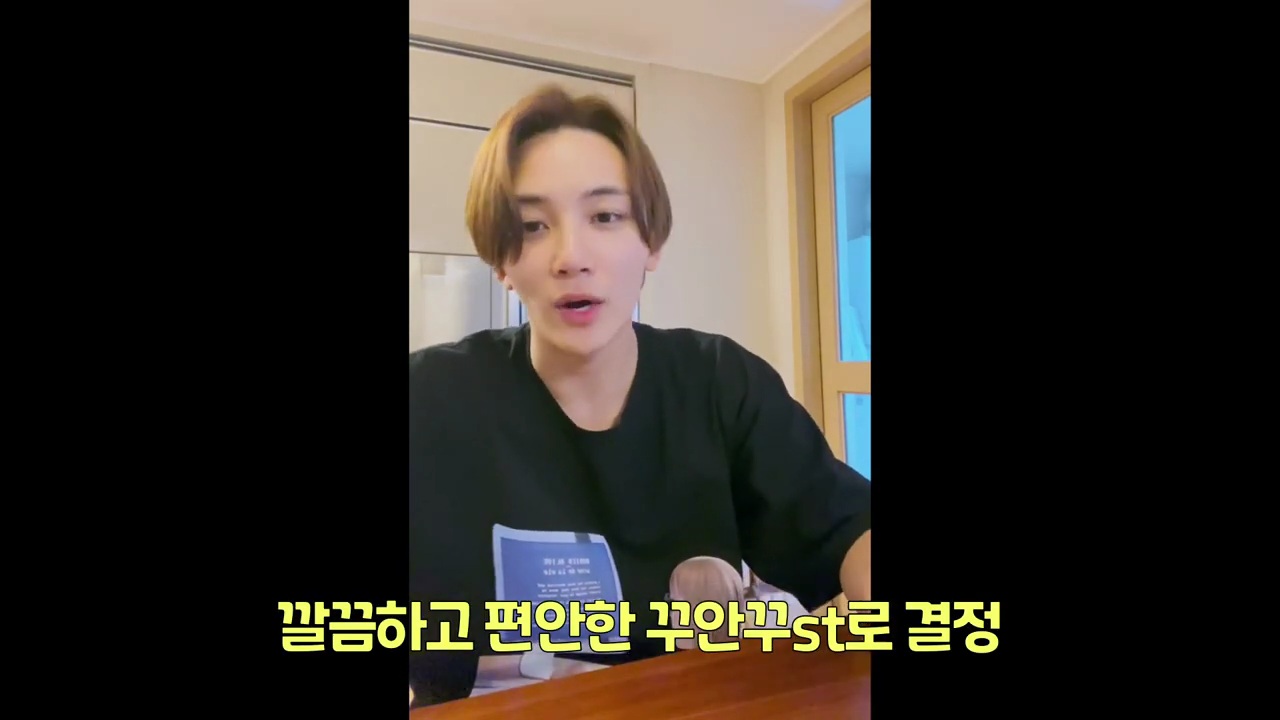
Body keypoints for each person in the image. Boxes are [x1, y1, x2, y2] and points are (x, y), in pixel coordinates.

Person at [408, 84, 871, 707]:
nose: (571, 257)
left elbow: (848, 530)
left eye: (605, 216)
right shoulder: (428, 397)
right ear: (502, 261)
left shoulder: (719, 383)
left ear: (651, 242)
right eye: (533, 226)